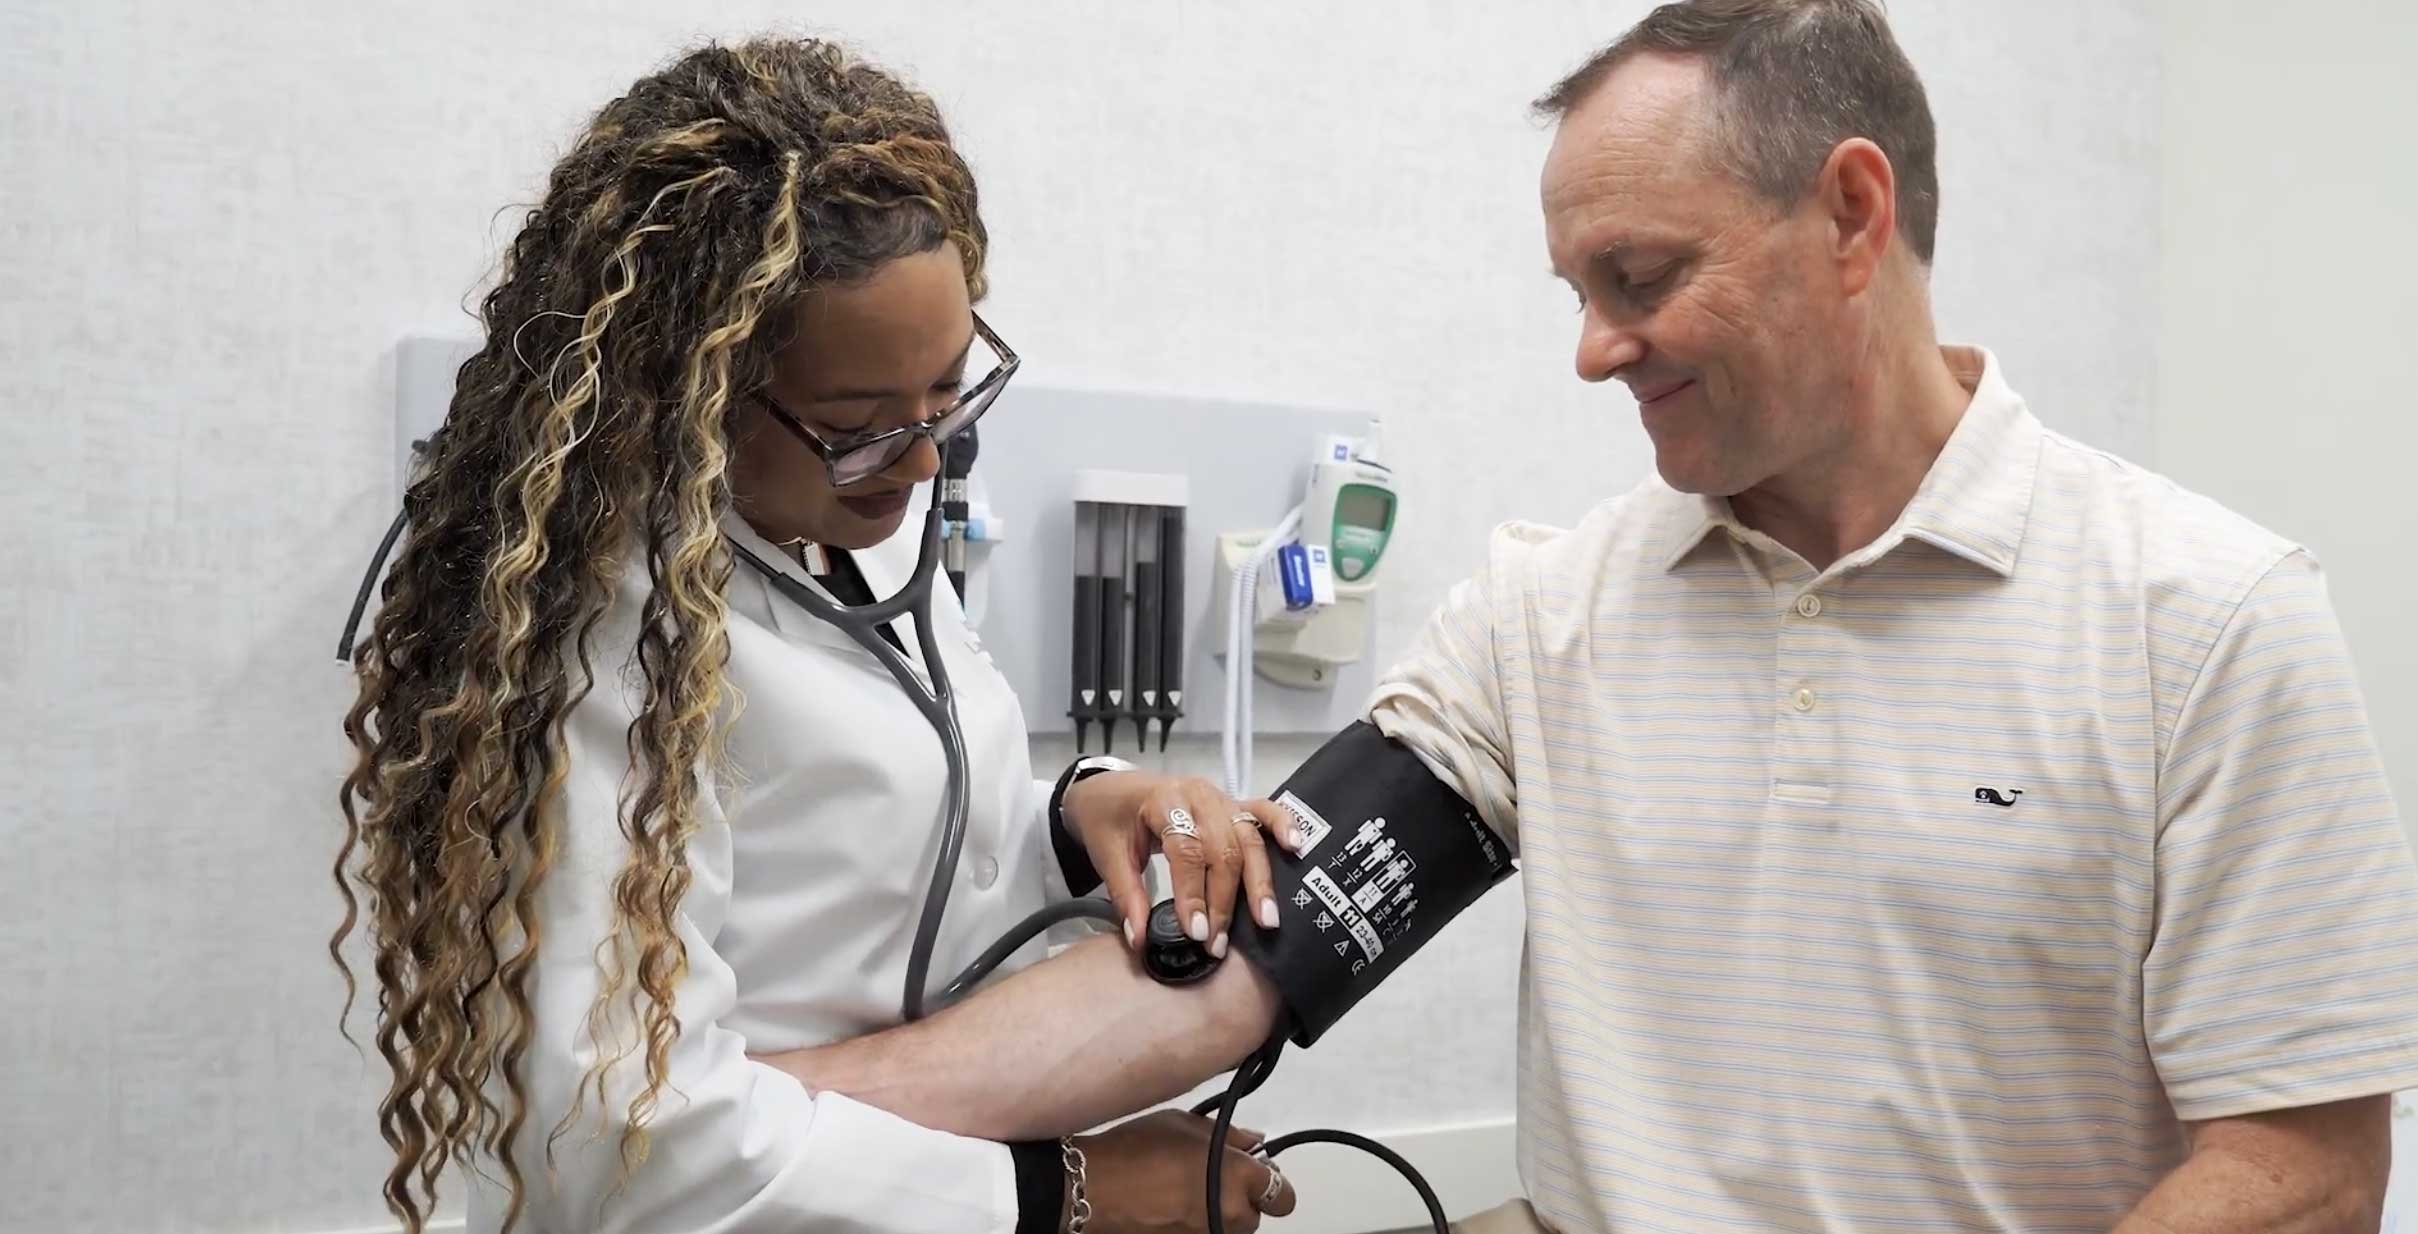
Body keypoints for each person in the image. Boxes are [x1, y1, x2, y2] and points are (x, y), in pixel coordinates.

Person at [1362, 2, 2418, 1231]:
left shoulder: (2209, 623)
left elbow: (2305, 1175)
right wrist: (1146, 831)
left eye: (1638, 278)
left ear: (1853, 214)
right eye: (1577, 293)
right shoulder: (1537, 614)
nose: (1594, 351)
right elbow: (1258, 935)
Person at [332, 37, 1303, 1234]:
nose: (924, 458)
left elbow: (868, 848)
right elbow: (627, 1141)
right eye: (858, 424)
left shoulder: (857, 528)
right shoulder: (598, 644)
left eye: (949, 391)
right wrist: (1063, 1193)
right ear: (688, 395)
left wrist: (1074, 819)